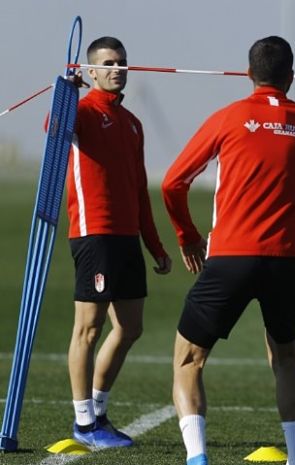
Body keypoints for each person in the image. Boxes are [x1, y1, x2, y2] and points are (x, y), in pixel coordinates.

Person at [162, 36, 295, 465]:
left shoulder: (229, 117)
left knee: (188, 361)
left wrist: (187, 236)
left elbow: (172, 183)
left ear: (248, 74)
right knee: (287, 360)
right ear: (291, 77)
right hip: (286, 263)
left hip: (231, 258)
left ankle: (198, 458)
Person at [65, 36, 172, 448]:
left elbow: (140, 190)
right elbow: (53, 128)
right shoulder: (82, 111)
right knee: (88, 329)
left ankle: (97, 411)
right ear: (91, 71)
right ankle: (84, 423)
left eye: (122, 62)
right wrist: (65, 94)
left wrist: (155, 245)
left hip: (127, 237)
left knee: (130, 327)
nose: (117, 69)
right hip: (95, 233)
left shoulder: (132, 123)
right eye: (108, 63)